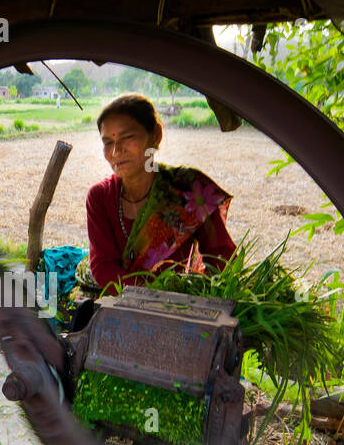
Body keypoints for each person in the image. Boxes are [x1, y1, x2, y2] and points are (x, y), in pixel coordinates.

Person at [84, 93, 237, 295]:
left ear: (155, 135)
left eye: (127, 137)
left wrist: (196, 298)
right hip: (124, 302)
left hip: (179, 304)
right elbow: (103, 267)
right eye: (108, 143)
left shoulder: (189, 188)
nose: (116, 152)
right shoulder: (100, 197)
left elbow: (222, 258)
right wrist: (152, 295)